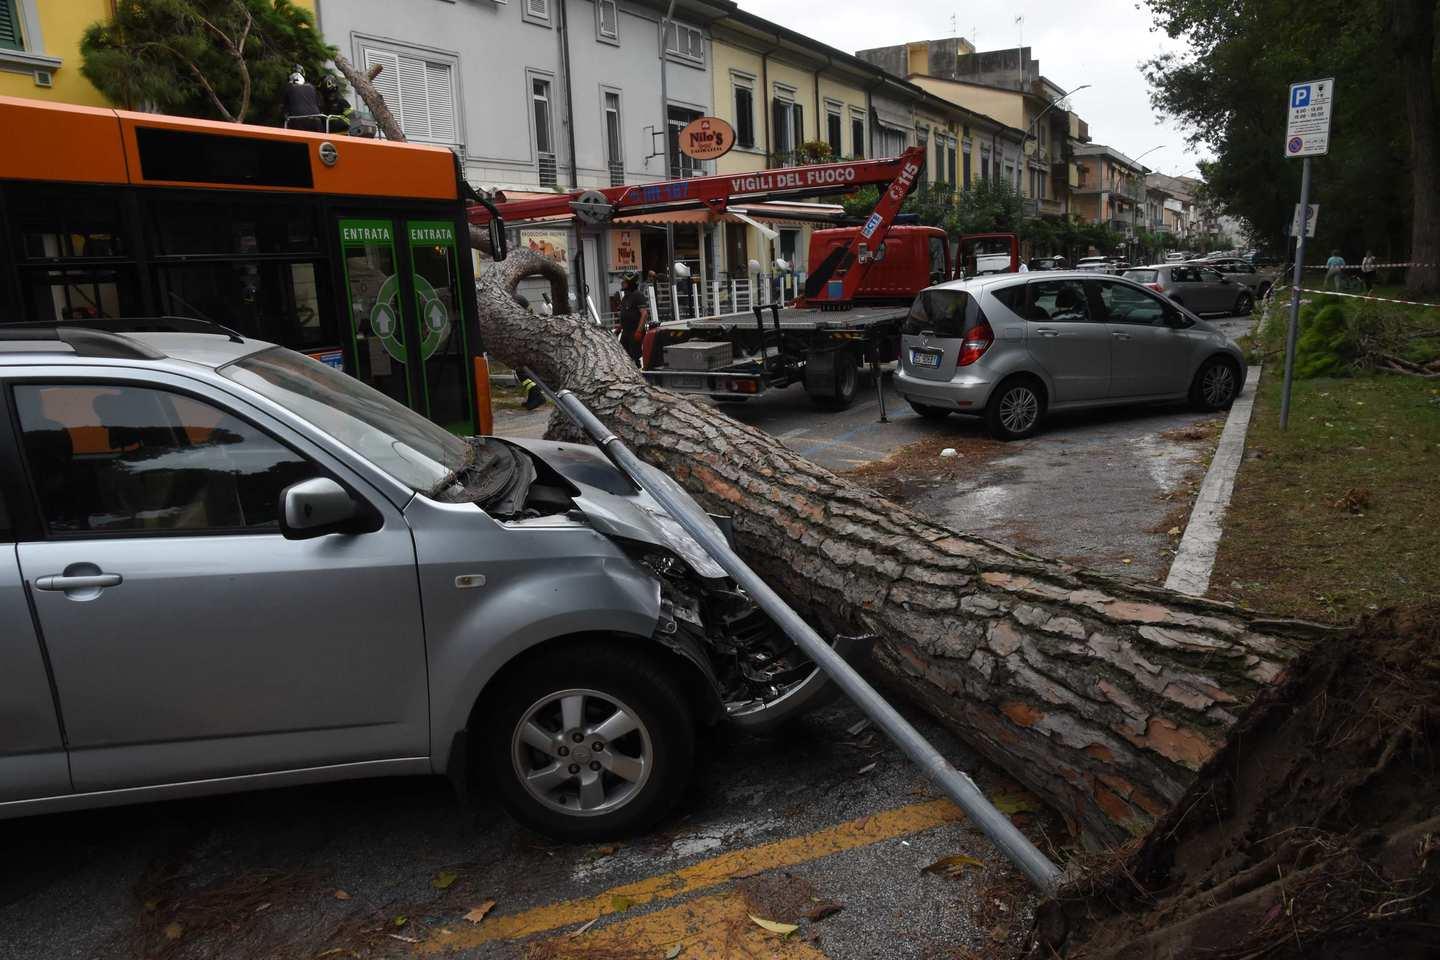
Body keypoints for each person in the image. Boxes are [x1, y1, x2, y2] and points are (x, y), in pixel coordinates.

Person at [617, 272, 649, 365]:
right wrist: (619, 329)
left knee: (634, 357)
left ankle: (637, 373)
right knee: (622, 354)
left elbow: (644, 314)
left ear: (630, 283)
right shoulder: (625, 298)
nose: (622, 283)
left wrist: (639, 331)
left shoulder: (637, 295)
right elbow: (625, 316)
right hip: (626, 332)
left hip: (634, 332)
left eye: (624, 281)